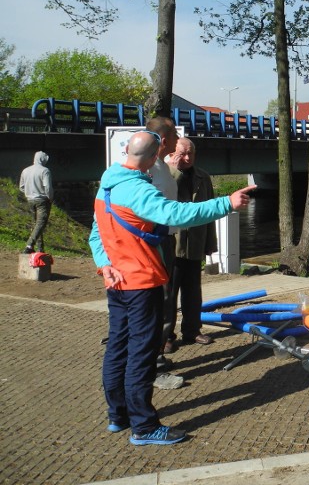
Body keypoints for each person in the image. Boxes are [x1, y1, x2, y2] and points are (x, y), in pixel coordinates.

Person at [89, 130, 254, 446]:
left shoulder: (107, 183)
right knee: (141, 354)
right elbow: (176, 214)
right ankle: (144, 427)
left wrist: (103, 264)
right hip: (141, 283)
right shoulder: (138, 190)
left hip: (116, 282)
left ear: (127, 151)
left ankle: (117, 415)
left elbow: (96, 234)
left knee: (117, 349)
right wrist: (227, 203)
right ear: (152, 159)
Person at [163, 138, 217, 351]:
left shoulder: (203, 177)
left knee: (193, 292)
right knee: (169, 293)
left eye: (190, 154)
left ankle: (192, 330)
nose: (186, 158)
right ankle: (166, 335)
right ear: (172, 153)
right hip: (172, 244)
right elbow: (164, 200)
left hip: (195, 242)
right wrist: (174, 171)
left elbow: (209, 212)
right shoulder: (163, 175)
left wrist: (210, 242)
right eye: (182, 154)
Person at [144, 117, 183, 388]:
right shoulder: (148, 169)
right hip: (155, 242)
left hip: (164, 240)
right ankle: (153, 367)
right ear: (166, 140)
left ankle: (152, 358)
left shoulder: (159, 166)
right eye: (175, 136)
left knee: (166, 301)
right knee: (160, 301)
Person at [19, 151, 54, 254]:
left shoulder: (25, 171)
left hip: (30, 200)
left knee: (36, 224)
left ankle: (40, 249)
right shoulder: (45, 171)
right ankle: (29, 245)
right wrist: (50, 198)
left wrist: (29, 193)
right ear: (42, 159)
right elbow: (47, 187)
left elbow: (21, 187)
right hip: (42, 201)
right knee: (40, 223)